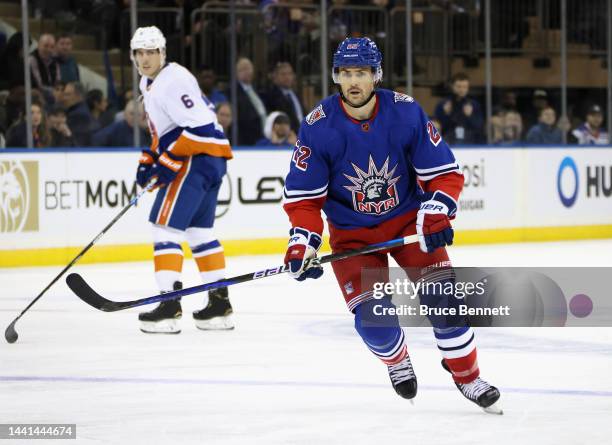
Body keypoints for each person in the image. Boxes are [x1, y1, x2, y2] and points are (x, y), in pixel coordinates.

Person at [282, 37, 501, 413]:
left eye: (362, 73)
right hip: (353, 240)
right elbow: (304, 200)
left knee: (447, 306)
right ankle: (397, 360)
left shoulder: (405, 112)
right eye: (346, 73)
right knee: (374, 322)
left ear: (376, 75)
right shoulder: (318, 126)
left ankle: (468, 377)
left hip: (407, 228)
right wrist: (303, 242)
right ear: (336, 76)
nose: (354, 81)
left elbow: (445, 175)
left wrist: (436, 211)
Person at [130, 26, 234, 334]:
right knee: (200, 231)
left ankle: (169, 306)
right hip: (211, 160)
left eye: (152, 52)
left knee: (165, 227)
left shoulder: (172, 80)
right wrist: (149, 159)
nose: (146, 58)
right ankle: (219, 306)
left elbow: (200, 128)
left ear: (163, 53)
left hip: (197, 158)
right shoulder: (149, 81)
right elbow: (164, 130)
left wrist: (168, 162)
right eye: (140, 52)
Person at [434, 72, 484, 144]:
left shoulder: (474, 105)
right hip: (448, 139)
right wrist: (446, 114)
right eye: (459, 86)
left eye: (464, 87)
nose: (461, 90)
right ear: (452, 87)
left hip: (470, 139)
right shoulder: (443, 104)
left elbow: (479, 126)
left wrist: (470, 116)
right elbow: (438, 127)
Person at [231, 57, 267, 145]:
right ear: (236, 73)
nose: (247, 72)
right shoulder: (233, 92)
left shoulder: (258, 90)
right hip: (247, 140)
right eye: (243, 69)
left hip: (263, 137)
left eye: (249, 68)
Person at [262, 61, 304, 133]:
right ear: (275, 77)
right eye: (283, 74)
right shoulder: (271, 96)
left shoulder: (295, 94)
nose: (287, 77)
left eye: (290, 74)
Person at [61, 81, 98, 146]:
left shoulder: (78, 115)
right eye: (64, 94)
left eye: (68, 95)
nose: (64, 98)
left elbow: (74, 142)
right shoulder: (81, 110)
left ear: (79, 96)